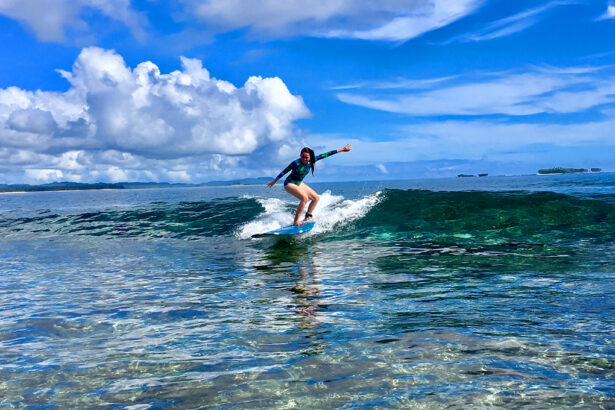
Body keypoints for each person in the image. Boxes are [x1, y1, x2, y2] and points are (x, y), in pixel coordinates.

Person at [268, 144, 352, 225]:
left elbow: (326, 154)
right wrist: (274, 181)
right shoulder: (295, 163)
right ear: (300, 155)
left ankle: (308, 216)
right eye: (302, 157)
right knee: (304, 198)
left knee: (316, 198)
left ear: (310, 157)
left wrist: (342, 149)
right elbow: (284, 171)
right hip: (289, 183)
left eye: (306, 157)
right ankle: (296, 221)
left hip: (299, 183)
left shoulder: (312, 160)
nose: (304, 159)